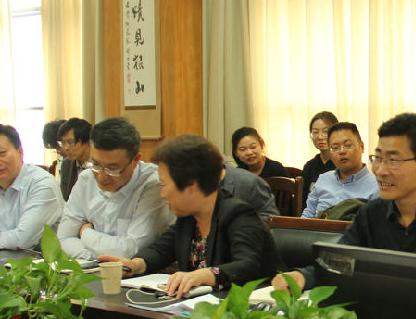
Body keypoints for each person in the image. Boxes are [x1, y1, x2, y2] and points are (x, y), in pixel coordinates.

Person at [275, 112, 416, 290]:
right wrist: (302, 277)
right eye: (378, 159)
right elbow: (341, 262)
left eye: (393, 161)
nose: (380, 171)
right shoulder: (371, 213)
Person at [100, 135, 282, 298]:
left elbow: (247, 266)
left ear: (191, 185)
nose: (162, 194)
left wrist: (204, 275)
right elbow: (161, 249)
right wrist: (136, 264)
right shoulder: (189, 217)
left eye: (164, 184)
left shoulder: (238, 214)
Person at [57, 117, 174, 262]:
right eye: (96, 165)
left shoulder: (153, 184)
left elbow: (130, 251)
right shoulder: (86, 179)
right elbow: (63, 239)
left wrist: (85, 232)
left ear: (135, 160)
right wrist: (98, 258)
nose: (102, 177)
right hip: (89, 268)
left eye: (112, 169)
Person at [301, 122, 379, 218]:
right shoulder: (323, 179)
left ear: (361, 147)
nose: (342, 151)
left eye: (348, 145)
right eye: (335, 148)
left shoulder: (377, 186)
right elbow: (307, 216)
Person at [56, 117, 93, 200]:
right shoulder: (66, 164)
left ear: (86, 141)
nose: (65, 148)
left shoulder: (100, 164)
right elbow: (65, 198)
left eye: (70, 142)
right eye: (63, 143)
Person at [301, 111, 338, 191]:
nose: (320, 137)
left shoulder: (343, 164)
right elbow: (303, 196)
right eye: (315, 132)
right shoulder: (309, 166)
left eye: (325, 131)